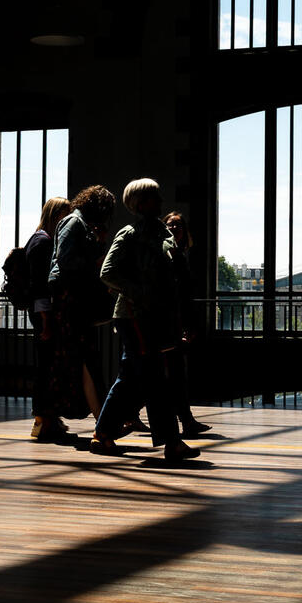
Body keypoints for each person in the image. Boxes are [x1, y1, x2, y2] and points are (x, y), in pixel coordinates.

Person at [91, 179, 200, 461]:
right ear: (140, 203)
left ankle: (102, 434)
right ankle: (172, 442)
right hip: (135, 316)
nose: (160, 201)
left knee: (129, 378)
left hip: (153, 316)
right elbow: (108, 271)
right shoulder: (130, 234)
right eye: (153, 197)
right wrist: (138, 293)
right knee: (155, 378)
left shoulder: (160, 233)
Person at [47, 185, 117, 430]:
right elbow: (66, 260)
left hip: (73, 299)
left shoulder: (78, 223)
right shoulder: (74, 223)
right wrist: (94, 260)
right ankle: (102, 421)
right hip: (71, 300)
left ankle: (101, 420)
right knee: (85, 358)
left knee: (83, 359)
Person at [26, 196, 74, 442]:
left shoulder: (39, 240)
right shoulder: (43, 243)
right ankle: (45, 418)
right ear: (55, 215)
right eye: (64, 216)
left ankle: (47, 418)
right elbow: (39, 286)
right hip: (43, 314)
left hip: (41, 313)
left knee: (46, 366)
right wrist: (46, 319)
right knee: (46, 367)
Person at [164, 211, 211, 437]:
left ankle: (186, 420)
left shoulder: (180, 254)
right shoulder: (169, 254)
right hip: (170, 320)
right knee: (174, 372)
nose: (174, 228)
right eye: (170, 225)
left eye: (178, 225)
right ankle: (186, 421)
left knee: (174, 373)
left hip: (176, 320)